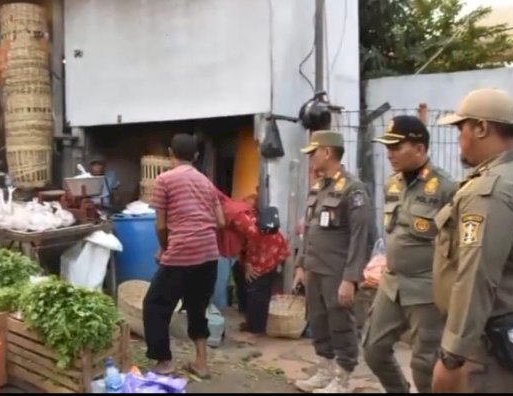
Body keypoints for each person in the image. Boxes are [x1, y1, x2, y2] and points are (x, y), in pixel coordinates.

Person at [430, 88, 513, 393]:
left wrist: (453, 355)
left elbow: (477, 275)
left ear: (481, 128)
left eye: (460, 128)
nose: (458, 138)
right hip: (510, 341)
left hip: (486, 350)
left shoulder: (492, 190)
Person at [361, 116, 457, 393]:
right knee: (373, 350)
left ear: (419, 148)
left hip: (426, 288)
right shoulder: (392, 184)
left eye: (396, 146)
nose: (389, 153)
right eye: (387, 146)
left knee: (425, 364)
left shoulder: (446, 188)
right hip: (391, 285)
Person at [293, 130, 373, 393]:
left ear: (327, 152)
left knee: (341, 324)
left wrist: (351, 278)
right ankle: (324, 370)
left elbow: (361, 237)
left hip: (337, 272)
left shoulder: (352, 189)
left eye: (313, 152)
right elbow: (309, 231)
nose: (310, 159)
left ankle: (342, 378)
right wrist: (301, 266)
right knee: (318, 321)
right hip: (315, 269)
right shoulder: (318, 188)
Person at [143, 133, 225, 379]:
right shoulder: (207, 182)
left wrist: (164, 248)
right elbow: (221, 222)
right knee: (197, 307)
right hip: (209, 254)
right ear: (196, 156)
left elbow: (160, 226)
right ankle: (201, 363)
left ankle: (164, 362)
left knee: (155, 305)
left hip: (182, 253)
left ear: (170, 154)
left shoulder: (164, 180)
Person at [222, 191, 289, 344]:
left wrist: (249, 264)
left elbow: (254, 237)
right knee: (254, 287)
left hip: (264, 251)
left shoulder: (237, 218)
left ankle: (256, 331)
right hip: (267, 248)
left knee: (257, 289)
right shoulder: (237, 210)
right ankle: (252, 324)